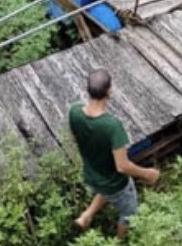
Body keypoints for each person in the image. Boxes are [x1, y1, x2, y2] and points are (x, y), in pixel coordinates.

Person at [69, 69, 161, 239]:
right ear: (109, 92)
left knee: (103, 189)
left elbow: (74, 139)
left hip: (91, 175)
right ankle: (118, 242)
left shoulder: (74, 111)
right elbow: (122, 166)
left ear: (88, 90)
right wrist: (148, 173)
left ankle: (86, 216)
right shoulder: (112, 126)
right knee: (129, 213)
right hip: (116, 184)